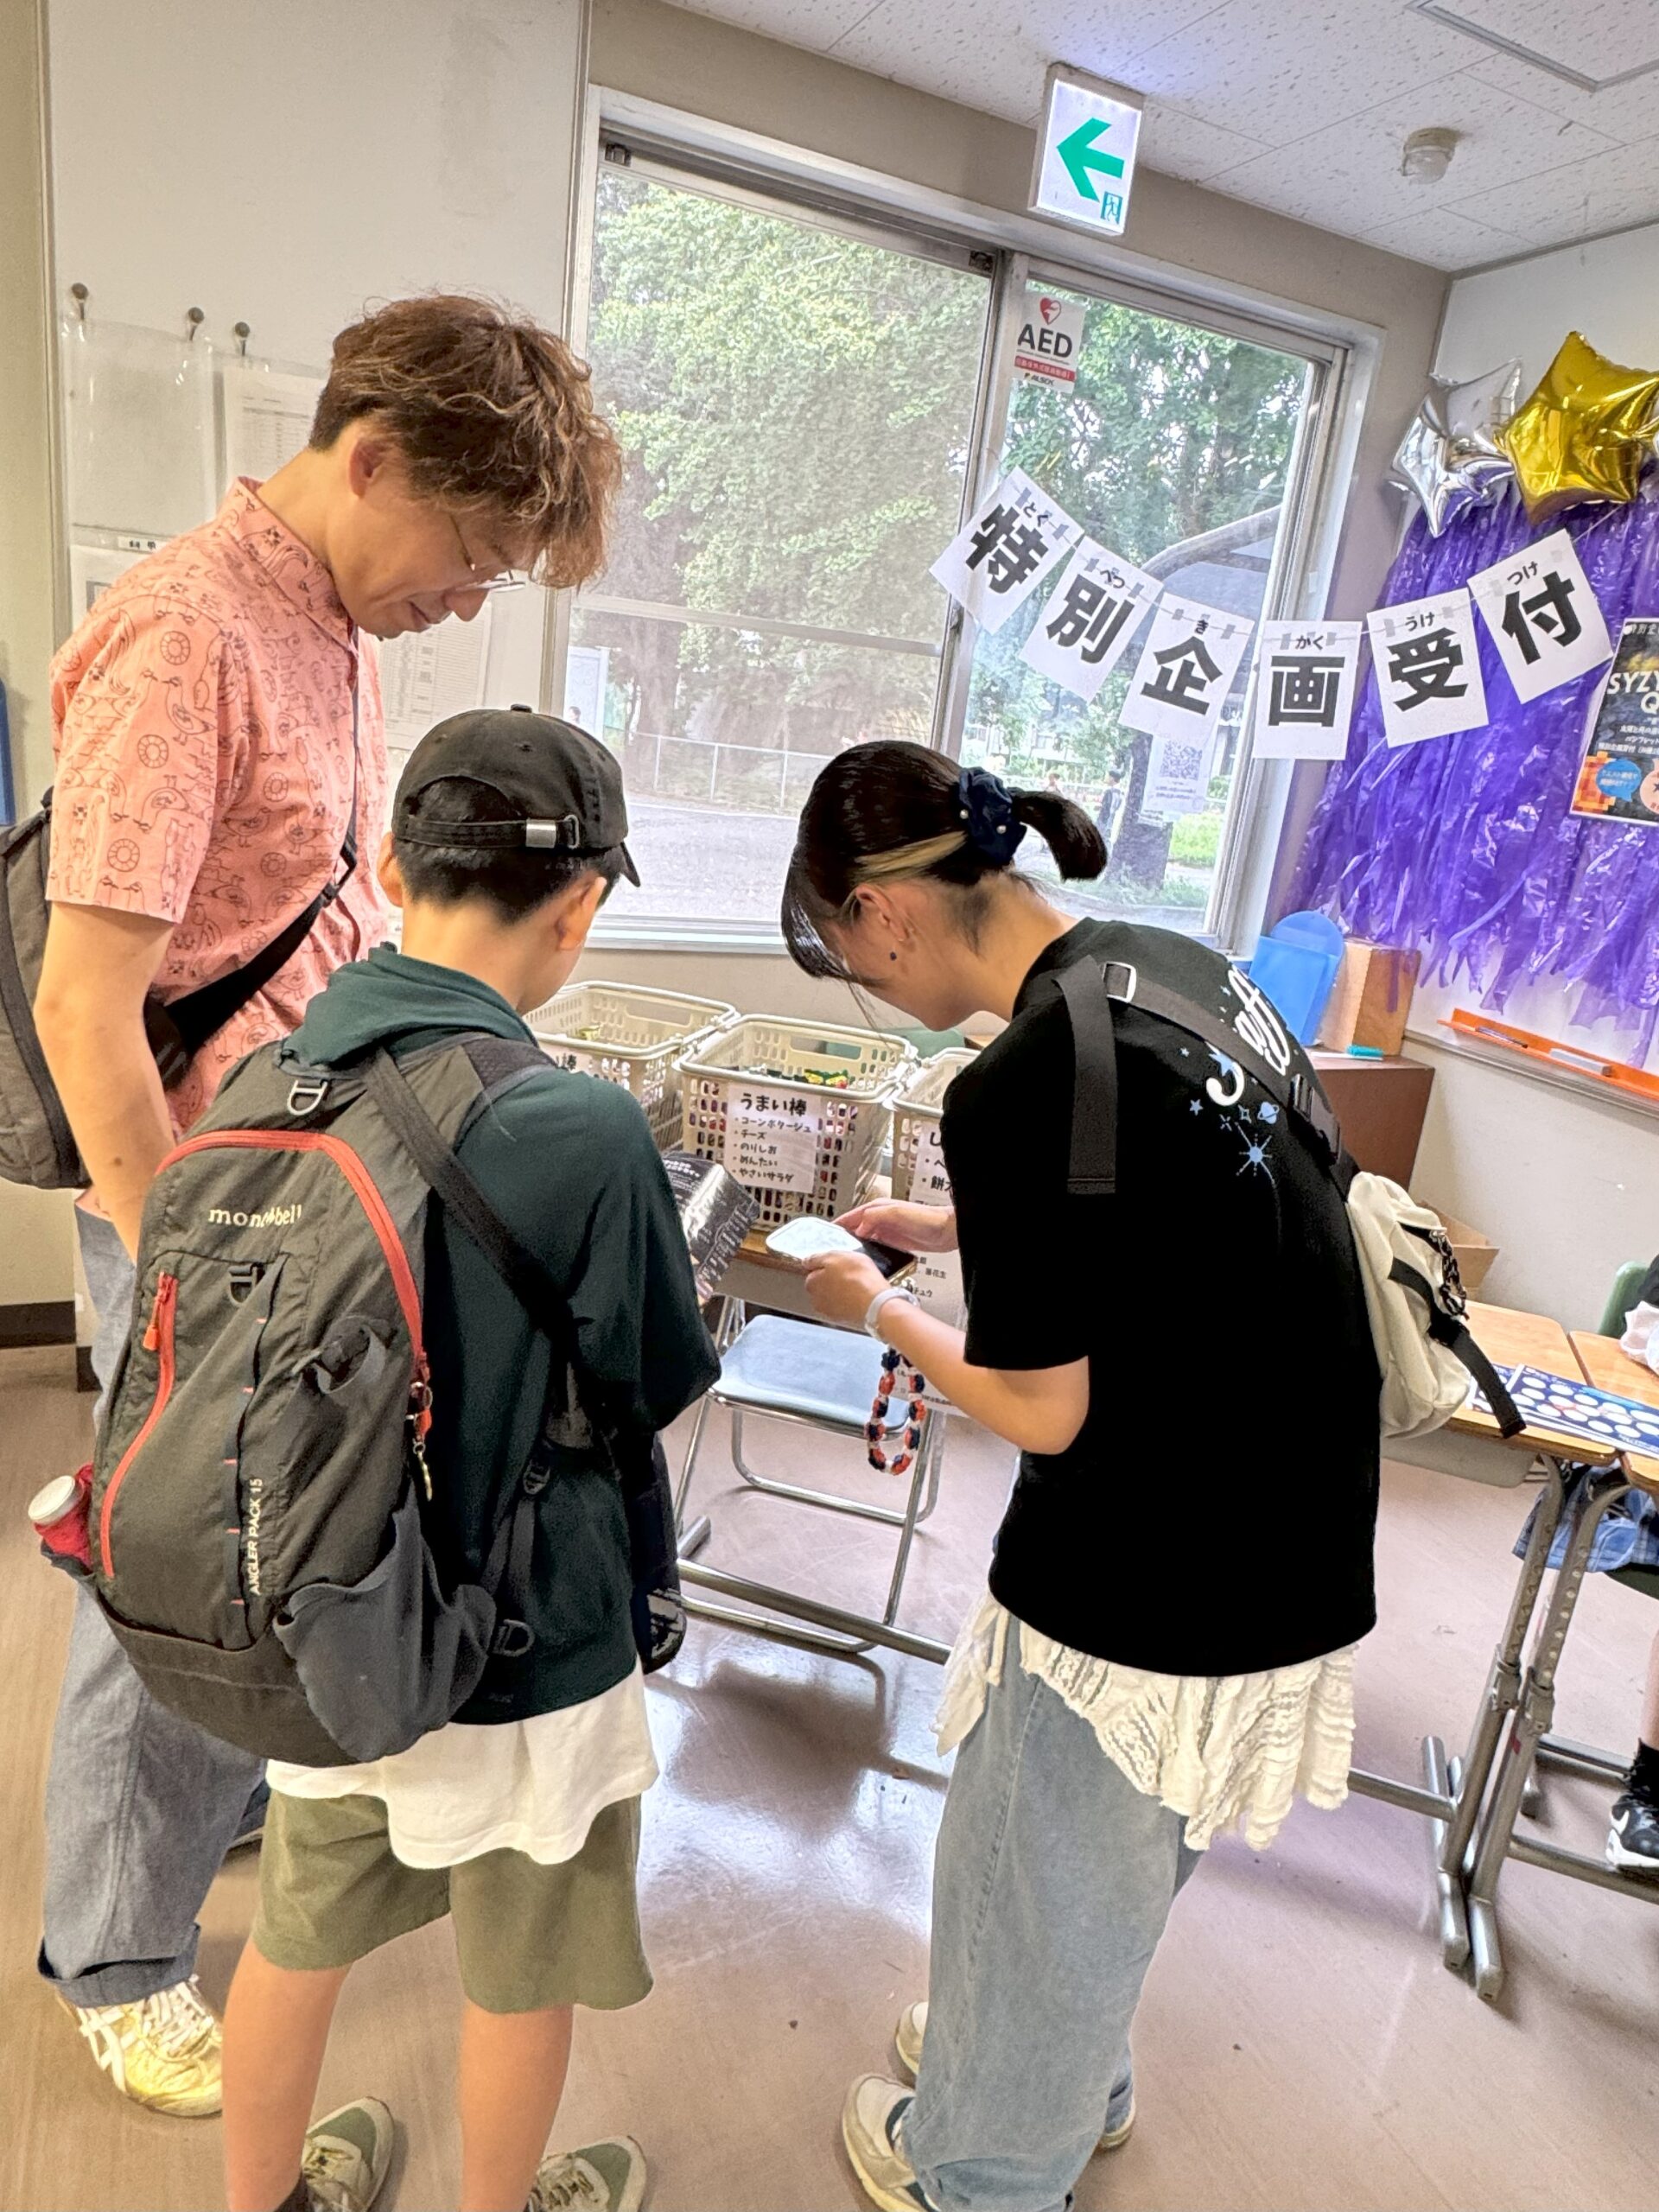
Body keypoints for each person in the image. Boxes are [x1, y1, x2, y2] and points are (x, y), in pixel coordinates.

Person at [33, 294, 620, 2116]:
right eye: (470, 553)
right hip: (202, 1213)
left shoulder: (335, 631)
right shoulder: (187, 635)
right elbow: (83, 1002)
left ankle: (198, 1799)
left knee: (270, 1543)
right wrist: (181, 1268)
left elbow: (325, 913)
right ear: (370, 460)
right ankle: (116, 1954)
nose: (468, 597)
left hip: (303, 1197)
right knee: (178, 1554)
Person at [779, 743, 1381, 2212]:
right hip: (1300, 1515)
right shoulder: (1174, 962)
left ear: (880, 913)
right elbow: (1180, 1198)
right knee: (1120, 1857)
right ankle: (1066, 2075)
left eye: (846, 957)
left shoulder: (1019, 1080)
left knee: (1034, 1857)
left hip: (1147, 1559)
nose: (868, 985)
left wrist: (876, 1305)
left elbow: (1041, 1414)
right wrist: (955, 1223)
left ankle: (981, 2167)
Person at [219, 709, 718, 2212]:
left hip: (328, 1618)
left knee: (294, 1938)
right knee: (521, 1967)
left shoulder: (266, 1082)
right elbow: (651, 1382)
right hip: (526, 1640)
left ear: (388, 865)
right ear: (580, 910)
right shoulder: (584, 1128)